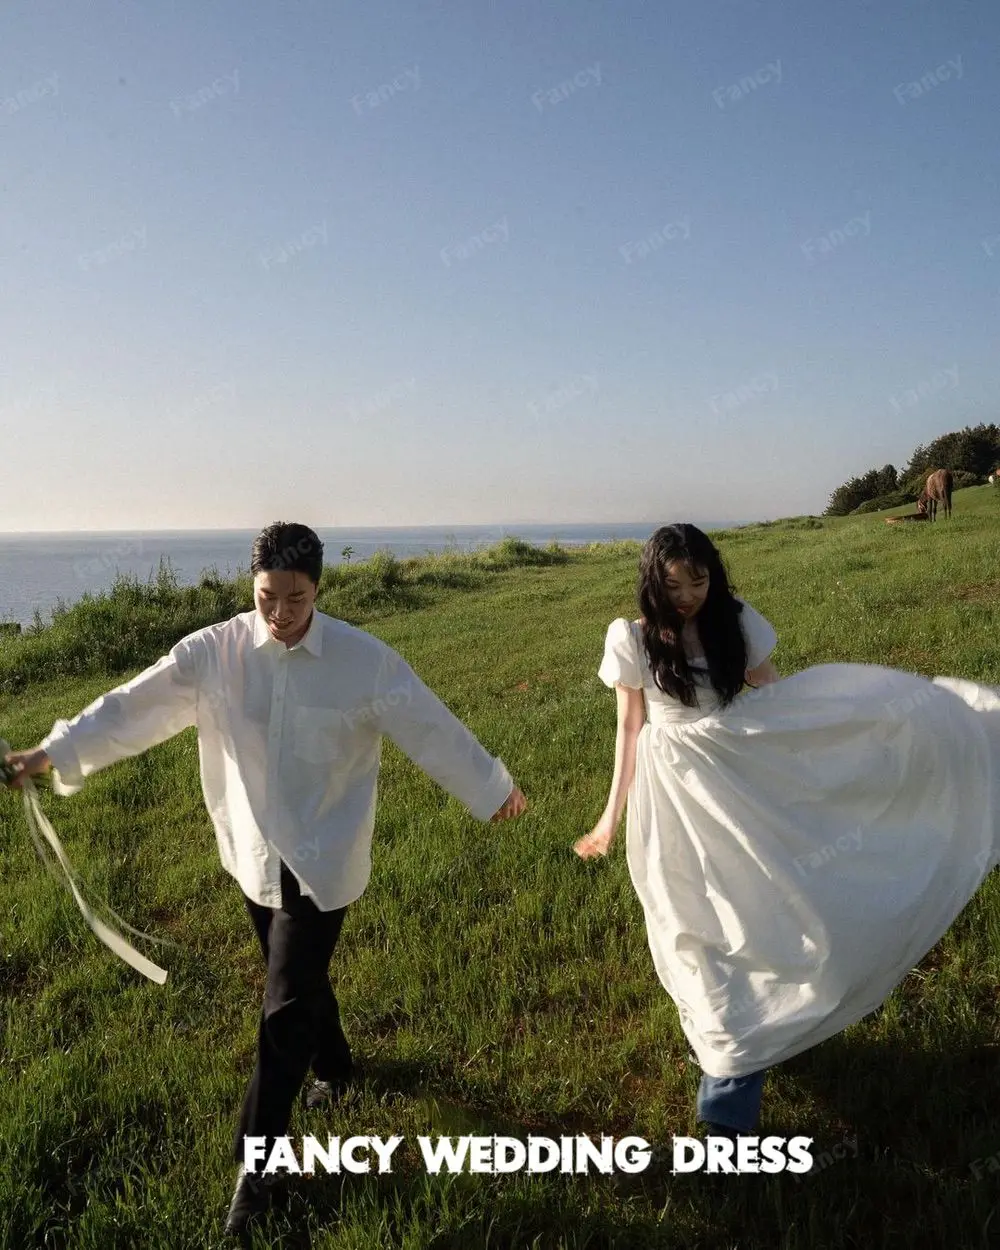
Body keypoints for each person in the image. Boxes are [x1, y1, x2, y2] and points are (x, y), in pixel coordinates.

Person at [3, 521, 527, 1236]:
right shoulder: (214, 653)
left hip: (324, 857)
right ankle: (337, 1067)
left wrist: (490, 787)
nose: (279, 615)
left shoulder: (361, 660)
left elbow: (428, 724)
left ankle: (259, 1171)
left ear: (319, 589)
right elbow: (133, 705)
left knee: (281, 1014)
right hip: (253, 854)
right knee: (298, 982)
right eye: (266, 597)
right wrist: (51, 753)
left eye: (296, 599)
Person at [575, 523, 1000, 1141]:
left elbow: (779, 698)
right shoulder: (632, 640)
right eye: (675, 584)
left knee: (763, 911)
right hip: (673, 800)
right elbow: (630, 730)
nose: (690, 593)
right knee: (691, 923)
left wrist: (833, 744)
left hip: (742, 779)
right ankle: (731, 1069)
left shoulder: (735, 621)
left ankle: (738, 1076)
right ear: (652, 582)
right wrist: (608, 817)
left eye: (700, 579)